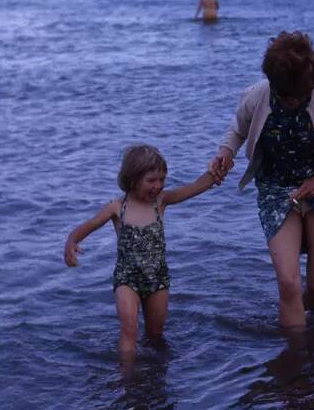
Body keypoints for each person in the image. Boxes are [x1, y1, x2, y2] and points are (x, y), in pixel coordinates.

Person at [209, 31, 314, 330]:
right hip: (276, 190)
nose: (292, 101)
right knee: (288, 284)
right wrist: (225, 151)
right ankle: (293, 363)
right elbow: (237, 129)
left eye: (299, 96)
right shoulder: (256, 95)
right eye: (285, 96)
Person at [64, 145, 216, 361]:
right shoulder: (117, 207)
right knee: (129, 328)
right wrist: (71, 242)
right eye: (151, 180)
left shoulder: (161, 202)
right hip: (128, 279)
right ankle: (127, 377)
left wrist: (217, 171)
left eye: (162, 179)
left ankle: (154, 374)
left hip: (158, 279)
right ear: (133, 179)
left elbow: (194, 187)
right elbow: (88, 226)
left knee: (155, 335)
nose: (158, 186)